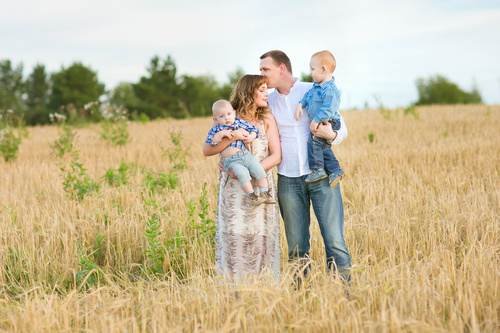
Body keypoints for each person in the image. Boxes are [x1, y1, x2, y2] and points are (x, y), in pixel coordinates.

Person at [259, 50, 351, 284]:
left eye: (265, 69)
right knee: (297, 248)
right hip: (288, 181)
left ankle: (344, 297)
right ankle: (302, 301)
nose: (261, 74)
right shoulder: (266, 101)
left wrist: (332, 135)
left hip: (321, 178)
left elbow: (342, 129)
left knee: (334, 243)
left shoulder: (313, 90)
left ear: (281, 69)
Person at [202, 75, 282, 282]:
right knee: (235, 240)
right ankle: (234, 293)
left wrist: (252, 170)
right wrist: (235, 136)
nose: (267, 94)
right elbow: (208, 149)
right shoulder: (227, 118)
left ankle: (261, 293)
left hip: (262, 186)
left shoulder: (267, 120)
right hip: (234, 192)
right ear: (249, 92)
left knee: (261, 241)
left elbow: (276, 156)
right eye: (262, 90)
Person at [206, 100, 276, 206]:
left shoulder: (238, 122)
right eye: (222, 116)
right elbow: (211, 142)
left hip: (244, 155)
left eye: (229, 114)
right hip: (232, 161)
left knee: (258, 169)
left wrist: (252, 135)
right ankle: (252, 196)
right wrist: (221, 134)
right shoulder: (216, 129)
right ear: (215, 119)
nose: (227, 118)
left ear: (234, 113)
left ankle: (264, 192)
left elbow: (253, 129)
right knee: (242, 174)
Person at [294, 51, 345, 186]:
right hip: (321, 121)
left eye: (312, 69)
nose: (310, 73)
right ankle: (335, 170)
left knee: (314, 141)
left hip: (329, 122)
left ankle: (318, 169)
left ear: (323, 69)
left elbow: (329, 109)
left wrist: (316, 120)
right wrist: (301, 104)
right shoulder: (316, 87)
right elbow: (308, 96)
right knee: (324, 148)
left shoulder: (331, 90)